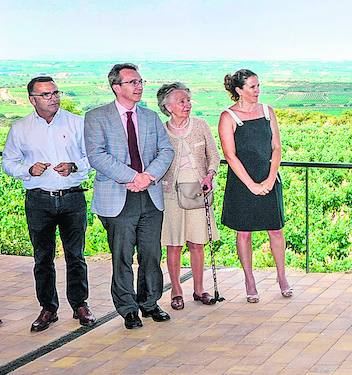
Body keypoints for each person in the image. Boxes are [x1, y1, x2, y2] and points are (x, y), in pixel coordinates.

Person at [84, 63, 175, 329]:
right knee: (122, 256)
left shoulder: (150, 117)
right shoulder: (96, 117)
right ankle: (127, 309)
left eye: (140, 81)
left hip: (150, 195)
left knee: (150, 253)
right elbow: (97, 156)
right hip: (117, 196)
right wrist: (132, 177)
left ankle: (149, 303)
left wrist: (147, 177)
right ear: (116, 87)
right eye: (132, 82)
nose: (139, 86)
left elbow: (165, 151)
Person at [2, 76, 96, 332]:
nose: (53, 98)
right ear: (32, 99)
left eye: (55, 92)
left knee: (75, 256)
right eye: (46, 94)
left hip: (73, 197)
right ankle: (48, 308)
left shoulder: (78, 123)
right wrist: (28, 169)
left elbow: (94, 155)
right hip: (39, 200)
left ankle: (80, 305)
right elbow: (8, 162)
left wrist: (75, 165)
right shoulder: (21, 128)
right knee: (42, 258)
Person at [218, 69, 291, 303]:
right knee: (244, 232)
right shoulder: (227, 117)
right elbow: (230, 155)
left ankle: (282, 277)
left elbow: (277, 147)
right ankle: (249, 280)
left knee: (276, 230)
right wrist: (250, 185)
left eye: (258, 85)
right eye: (252, 87)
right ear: (239, 90)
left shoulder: (268, 112)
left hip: (269, 178)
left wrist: (270, 179)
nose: (257, 91)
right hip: (242, 183)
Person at [156, 82, 220, 310]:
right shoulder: (160, 130)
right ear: (168, 106)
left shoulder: (201, 125)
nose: (187, 105)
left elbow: (214, 156)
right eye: (182, 101)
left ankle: (199, 289)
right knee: (173, 244)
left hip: (197, 191)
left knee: (198, 242)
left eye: (188, 100)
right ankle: (176, 291)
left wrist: (210, 176)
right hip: (171, 192)